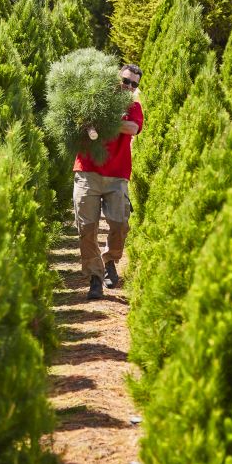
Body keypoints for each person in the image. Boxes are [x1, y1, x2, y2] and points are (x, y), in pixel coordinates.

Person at [73, 63, 144, 300]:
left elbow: (133, 128)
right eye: (126, 80)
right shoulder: (95, 98)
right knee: (87, 227)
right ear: (117, 77)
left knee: (120, 224)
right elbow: (80, 120)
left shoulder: (133, 106)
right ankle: (95, 278)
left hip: (117, 175)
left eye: (134, 84)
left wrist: (106, 122)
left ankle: (110, 259)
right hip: (87, 171)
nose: (129, 86)